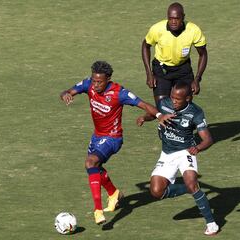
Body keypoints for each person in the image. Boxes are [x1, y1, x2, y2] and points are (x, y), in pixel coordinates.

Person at [60, 61, 174, 225]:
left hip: (113, 138)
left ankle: (97, 210)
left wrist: (159, 116)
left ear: (108, 79)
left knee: (90, 162)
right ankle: (114, 194)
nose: (96, 84)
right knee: (93, 168)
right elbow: (68, 91)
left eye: (99, 81)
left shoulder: (119, 93)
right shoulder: (88, 84)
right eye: (94, 80)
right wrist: (65, 94)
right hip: (97, 137)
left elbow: (143, 104)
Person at [136, 82, 219, 236]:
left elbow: (208, 139)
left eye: (178, 99)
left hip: (185, 152)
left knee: (192, 182)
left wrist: (198, 148)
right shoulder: (164, 103)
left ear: (188, 98)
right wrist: (144, 118)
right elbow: (155, 114)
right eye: (172, 97)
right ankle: (189, 189)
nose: (173, 101)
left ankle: (211, 223)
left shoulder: (195, 112)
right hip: (167, 154)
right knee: (156, 191)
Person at [142, 2, 208, 105]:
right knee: (163, 106)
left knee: (184, 104)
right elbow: (145, 46)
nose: (173, 22)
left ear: (183, 17)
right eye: (170, 18)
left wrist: (197, 79)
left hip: (183, 69)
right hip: (162, 69)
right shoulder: (157, 29)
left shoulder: (193, 30)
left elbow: (203, 54)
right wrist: (149, 73)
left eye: (177, 19)